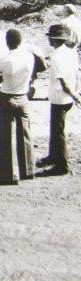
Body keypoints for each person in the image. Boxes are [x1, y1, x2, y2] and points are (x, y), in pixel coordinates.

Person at [0, 29, 35, 184]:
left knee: (6, 136)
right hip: (23, 97)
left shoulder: (4, 60)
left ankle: (9, 174)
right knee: (25, 134)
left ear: (7, 42)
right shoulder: (29, 57)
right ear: (20, 41)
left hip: (7, 97)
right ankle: (28, 170)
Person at [41, 24, 80, 175]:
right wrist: (76, 92)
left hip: (60, 97)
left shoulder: (56, 56)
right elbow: (77, 74)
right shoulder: (71, 52)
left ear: (55, 39)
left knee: (58, 131)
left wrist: (74, 95)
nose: (49, 41)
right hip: (67, 96)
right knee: (55, 128)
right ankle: (53, 156)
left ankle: (62, 166)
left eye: (50, 38)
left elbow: (63, 82)